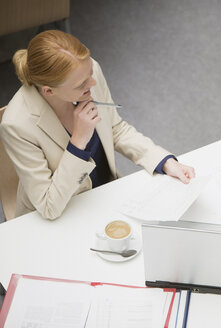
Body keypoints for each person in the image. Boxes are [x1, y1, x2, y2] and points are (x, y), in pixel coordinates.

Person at [0, 30, 195, 220]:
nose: (93, 83)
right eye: (81, 85)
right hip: (63, 213)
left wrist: (164, 161)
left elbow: (116, 129)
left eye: (91, 74)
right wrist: (78, 143)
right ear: (49, 91)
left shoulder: (85, 70)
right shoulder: (16, 125)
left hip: (104, 193)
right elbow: (49, 206)